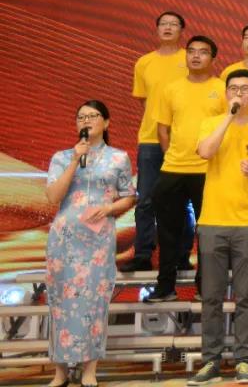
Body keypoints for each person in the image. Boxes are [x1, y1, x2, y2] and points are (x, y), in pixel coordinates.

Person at [187, 69, 248, 385]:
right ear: (226, 93)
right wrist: (228, 117)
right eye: (234, 88)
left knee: (245, 297)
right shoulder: (211, 123)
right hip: (212, 221)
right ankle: (211, 361)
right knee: (211, 297)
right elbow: (205, 152)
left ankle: (243, 360)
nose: (239, 93)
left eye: (245, 89)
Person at [45, 101, 136, 387]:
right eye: (81, 117)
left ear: (106, 122)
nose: (86, 121)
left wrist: (109, 208)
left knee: (94, 302)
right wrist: (75, 160)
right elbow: (53, 196)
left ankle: (89, 370)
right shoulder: (62, 157)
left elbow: (129, 196)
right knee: (60, 302)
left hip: (98, 241)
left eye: (93, 116)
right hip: (65, 239)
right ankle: (60, 372)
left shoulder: (119, 158)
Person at [145, 35, 226, 303]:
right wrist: (172, 155)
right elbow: (163, 129)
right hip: (174, 168)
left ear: (213, 59)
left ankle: (205, 287)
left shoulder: (222, 88)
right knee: (167, 232)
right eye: (191, 51)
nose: (196, 56)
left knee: (208, 233)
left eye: (203, 52)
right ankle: (165, 287)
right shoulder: (172, 89)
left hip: (208, 170)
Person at [124, 10, 188, 272]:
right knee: (146, 200)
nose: (168, 28)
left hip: (182, 141)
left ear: (182, 30)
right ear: (157, 29)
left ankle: (181, 256)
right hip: (150, 139)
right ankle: (142, 254)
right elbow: (144, 100)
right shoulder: (144, 63)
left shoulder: (190, 58)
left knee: (182, 202)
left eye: (174, 24)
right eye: (163, 24)